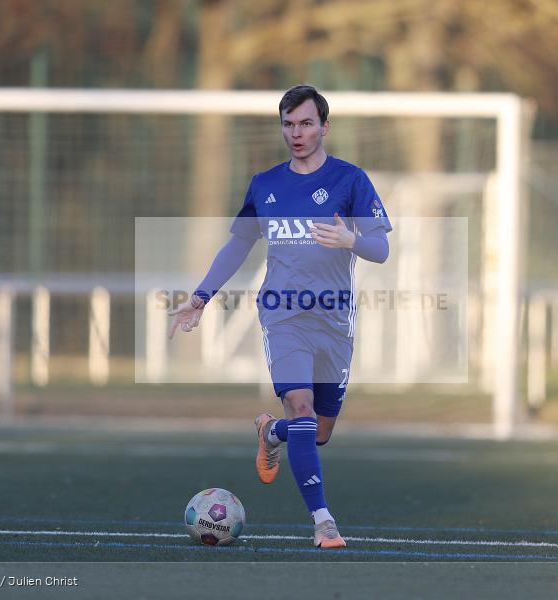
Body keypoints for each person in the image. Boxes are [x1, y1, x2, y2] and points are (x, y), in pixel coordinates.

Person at [168, 84, 392, 548]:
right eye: (288, 124)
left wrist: (352, 240)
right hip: (283, 316)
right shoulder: (265, 185)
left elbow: (382, 248)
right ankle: (324, 522)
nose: (297, 132)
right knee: (304, 410)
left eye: (306, 123)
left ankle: (272, 432)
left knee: (319, 431)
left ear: (324, 127)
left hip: (335, 322)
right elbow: (238, 246)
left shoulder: (351, 181)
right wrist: (201, 297)